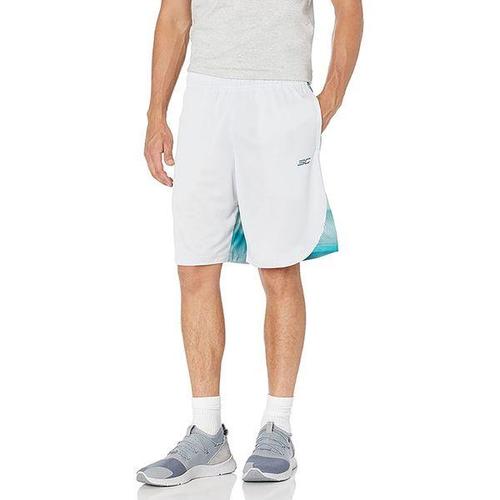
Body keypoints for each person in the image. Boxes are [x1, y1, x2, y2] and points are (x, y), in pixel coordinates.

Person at [137, 0, 363, 486]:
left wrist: (329, 99)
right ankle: (206, 432)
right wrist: (156, 112)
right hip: (206, 96)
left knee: (279, 267)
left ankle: (277, 427)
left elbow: (349, 10)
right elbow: (175, 15)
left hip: (280, 95)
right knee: (194, 264)